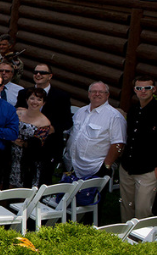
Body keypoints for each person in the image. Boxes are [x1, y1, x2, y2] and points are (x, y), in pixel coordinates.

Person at [16, 63, 72, 183]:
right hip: (22, 146)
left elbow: (67, 122)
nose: (38, 75)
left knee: (41, 182)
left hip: (47, 146)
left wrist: (53, 128)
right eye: (36, 72)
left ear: (50, 76)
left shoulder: (61, 96)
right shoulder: (23, 93)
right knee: (19, 180)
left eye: (42, 73)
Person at [66, 81, 126, 183]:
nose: (97, 94)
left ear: (107, 95)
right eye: (93, 91)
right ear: (89, 94)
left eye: (101, 92)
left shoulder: (114, 117)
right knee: (72, 198)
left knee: (93, 198)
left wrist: (106, 166)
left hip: (95, 168)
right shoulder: (81, 112)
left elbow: (118, 143)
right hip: (73, 166)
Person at [119, 76, 157, 221]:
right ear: (135, 90)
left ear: (153, 89)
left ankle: (143, 241)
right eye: (139, 88)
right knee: (127, 206)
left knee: (143, 209)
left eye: (147, 88)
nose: (143, 91)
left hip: (148, 169)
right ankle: (126, 240)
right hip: (127, 166)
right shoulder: (134, 109)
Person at [13, 89, 52, 188]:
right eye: (32, 98)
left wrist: (15, 141)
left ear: (43, 103)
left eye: (39, 99)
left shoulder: (45, 123)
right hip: (11, 155)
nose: (35, 102)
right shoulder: (18, 112)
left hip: (27, 160)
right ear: (27, 100)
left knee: (23, 188)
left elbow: (36, 146)